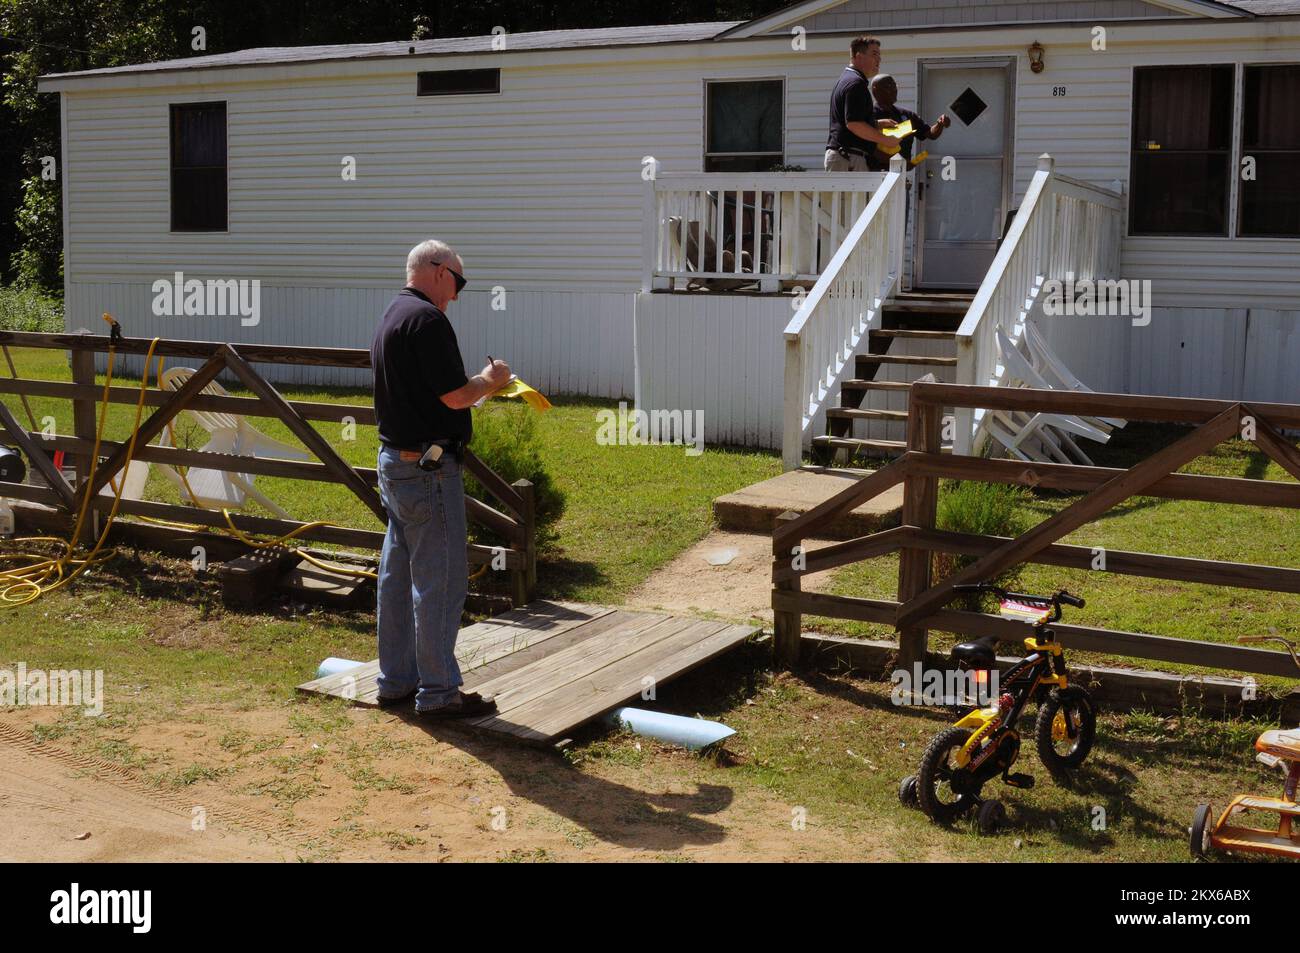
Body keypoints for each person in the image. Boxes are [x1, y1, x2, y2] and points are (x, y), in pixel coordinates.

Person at [369, 239, 511, 718]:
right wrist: (491, 382)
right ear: (436, 270)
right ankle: (438, 692)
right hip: (428, 470)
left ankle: (395, 683)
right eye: (458, 281)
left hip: (395, 463)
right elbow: (453, 397)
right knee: (441, 580)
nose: (457, 294)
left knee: (396, 576)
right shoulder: (428, 320)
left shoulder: (393, 312)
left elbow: (427, 393)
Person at [825, 35, 898, 172]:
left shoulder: (849, 79)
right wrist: (886, 140)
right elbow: (854, 124)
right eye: (874, 54)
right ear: (858, 56)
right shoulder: (855, 83)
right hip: (848, 158)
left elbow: (848, 121)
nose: (879, 59)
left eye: (879, 55)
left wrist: (876, 123)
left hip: (845, 157)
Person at [867, 73, 950, 171]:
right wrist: (900, 162)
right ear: (875, 89)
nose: (894, 89)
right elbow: (867, 147)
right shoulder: (867, 116)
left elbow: (930, 133)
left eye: (895, 86)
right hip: (874, 173)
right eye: (889, 86)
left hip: (900, 174)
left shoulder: (907, 115)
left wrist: (940, 124)